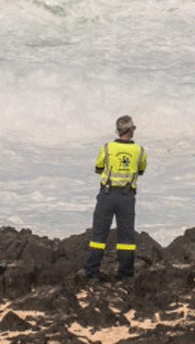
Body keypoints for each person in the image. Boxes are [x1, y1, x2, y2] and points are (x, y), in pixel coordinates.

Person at [84, 115, 147, 281]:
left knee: (98, 236)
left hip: (106, 195)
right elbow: (140, 170)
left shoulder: (106, 148)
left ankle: (91, 274)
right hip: (127, 197)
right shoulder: (139, 151)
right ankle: (125, 275)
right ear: (130, 130)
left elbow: (98, 168)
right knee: (126, 238)